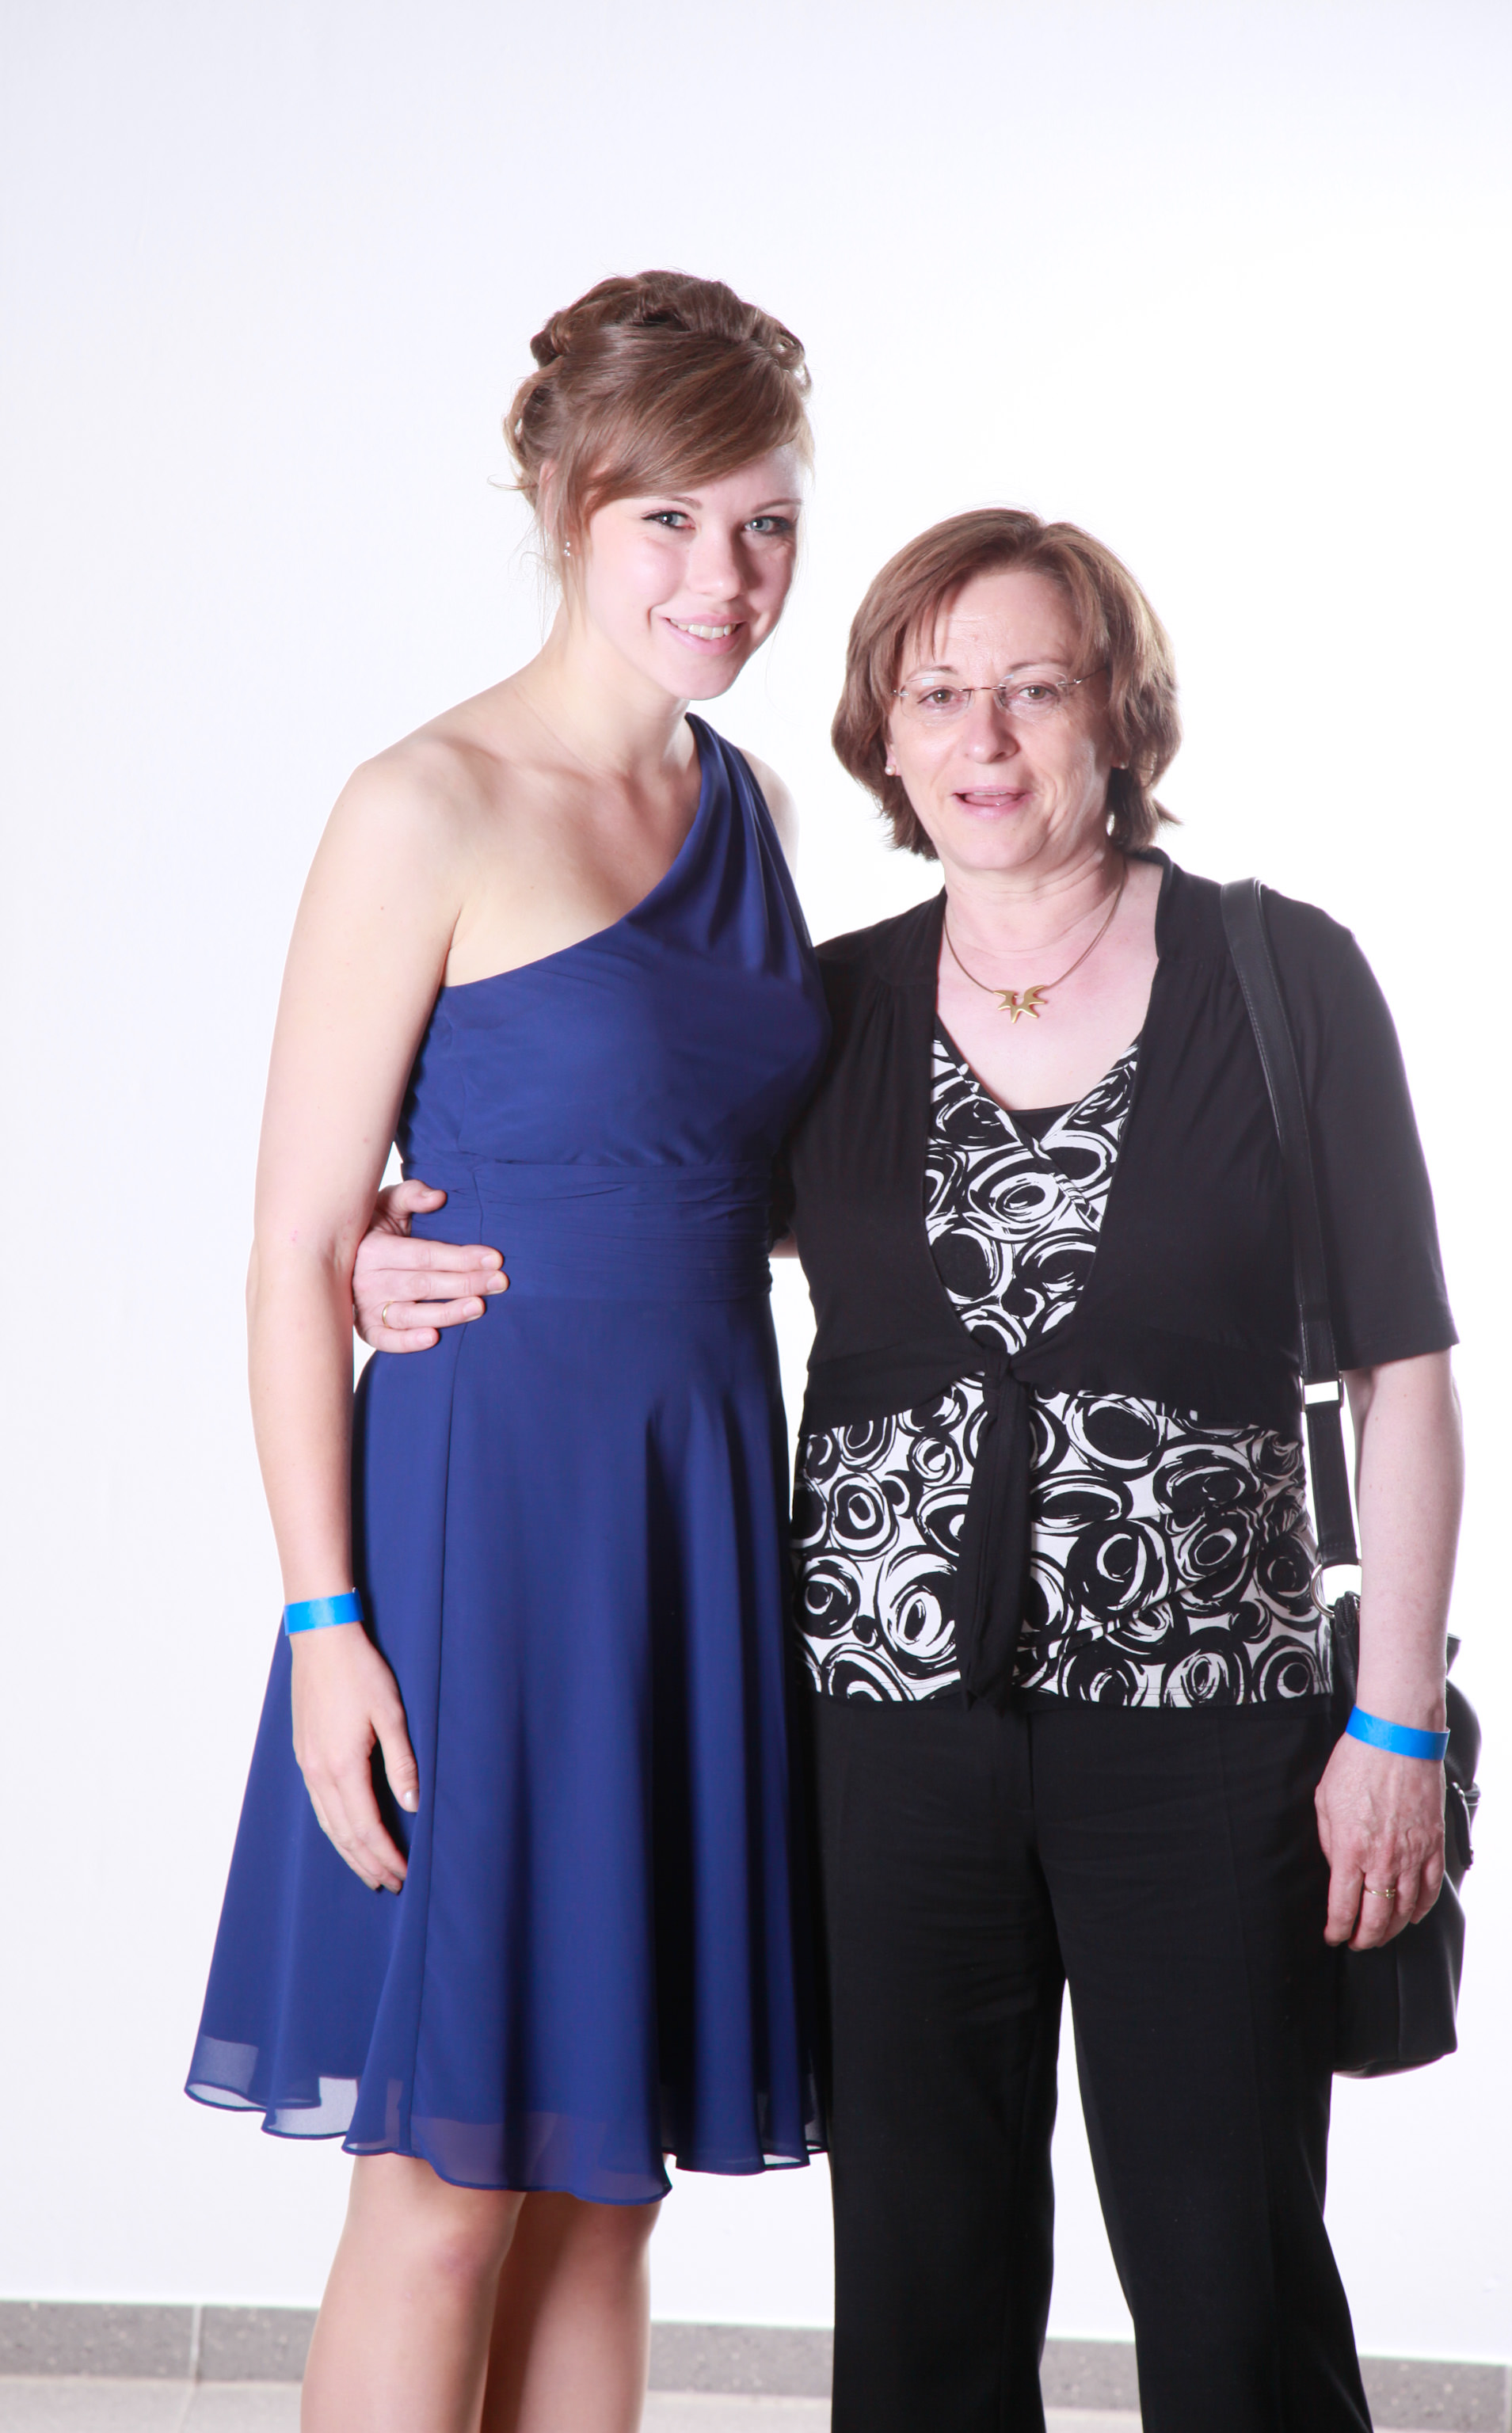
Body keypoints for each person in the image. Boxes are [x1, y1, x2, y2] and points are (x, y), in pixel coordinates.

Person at [354, 507, 1464, 2433]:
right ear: (882, 731)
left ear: (1118, 711)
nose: (984, 739)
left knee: (1232, 2285)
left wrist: (1395, 1725)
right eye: (936, 694)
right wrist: (388, 1250)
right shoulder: (834, 1006)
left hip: (1208, 1738)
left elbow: (1407, 1374)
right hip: (884, 1747)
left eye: (1034, 688)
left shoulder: (1280, 979)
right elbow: (654, 1211)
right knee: (922, 2302)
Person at [187, 272, 829, 2433]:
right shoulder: (425, 801)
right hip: (483, 1525)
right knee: (448, 2181)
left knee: (607, 2185)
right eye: (671, 523)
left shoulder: (751, 807)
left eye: (764, 525)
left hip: (692, 1510)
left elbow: (723, 1170)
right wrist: (323, 1624)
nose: (723, 577)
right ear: (567, 511)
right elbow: (293, 1250)